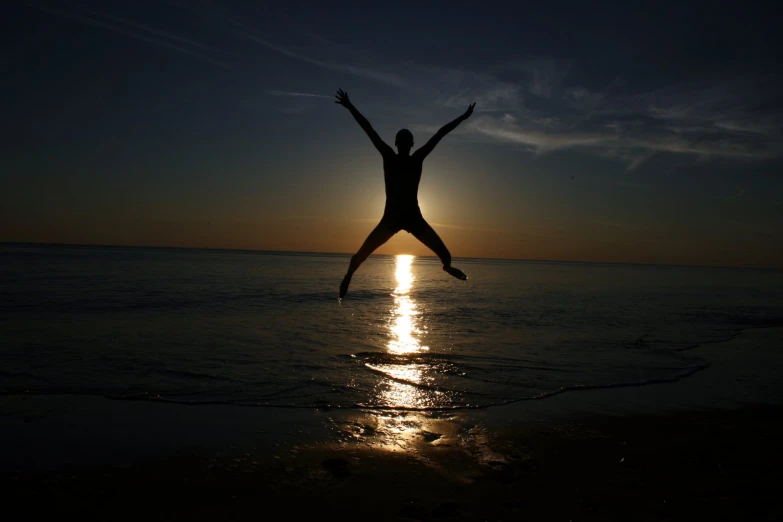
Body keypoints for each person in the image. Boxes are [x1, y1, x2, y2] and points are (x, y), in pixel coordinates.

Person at [335, 89, 474, 299]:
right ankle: (348, 277)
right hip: (391, 219)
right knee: (361, 253)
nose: (403, 143)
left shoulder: (415, 158)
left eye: (405, 140)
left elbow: (440, 134)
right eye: (402, 140)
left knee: (446, 256)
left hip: (413, 218)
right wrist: (351, 107)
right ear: (399, 143)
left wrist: (463, 118)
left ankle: (447, 267)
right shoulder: (390, 156)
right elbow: (368, 129)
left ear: (409, 144)